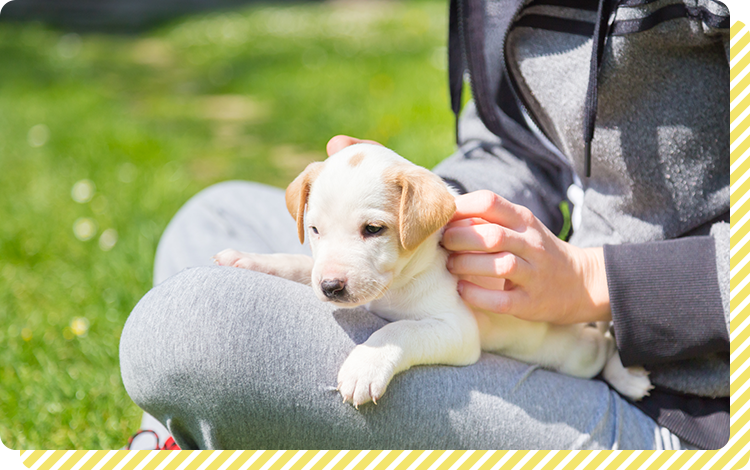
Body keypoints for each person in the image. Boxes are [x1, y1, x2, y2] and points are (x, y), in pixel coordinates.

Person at [120, 0, 730, 450]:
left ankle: (181, 435)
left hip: (683, 408)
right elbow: (516, 145)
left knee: (190, 332)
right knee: (213, 218)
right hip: (497, 301)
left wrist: (593, 279)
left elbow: (455, 334)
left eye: (375, 229)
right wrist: (449, 209)